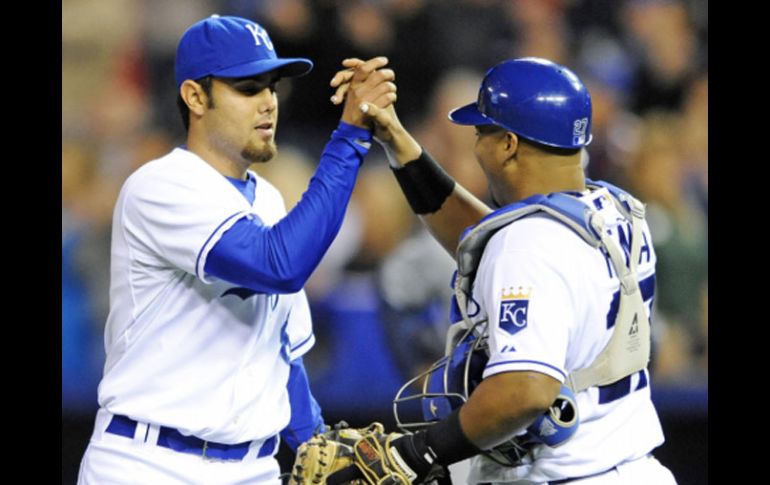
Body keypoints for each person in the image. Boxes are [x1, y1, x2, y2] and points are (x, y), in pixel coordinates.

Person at [77, 15, 397, 485]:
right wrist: (349, 138)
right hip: (147, 463)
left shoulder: (267, 200)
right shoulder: (160, 186)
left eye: (272, 87)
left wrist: (315, 442)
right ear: (195, 96)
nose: (268, 103)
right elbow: (278, 265)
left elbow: (281, 353)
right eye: (248, 88)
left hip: (254, 468)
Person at [326, 57, 677, 484]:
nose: (477, 147)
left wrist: (414, 453)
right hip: (631, 467)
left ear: (509, 144)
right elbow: (486, 241)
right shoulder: (613, 209)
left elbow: (524, 391)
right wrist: (399, 143)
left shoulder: (529, 244)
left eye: (481, 133)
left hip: (563, 475)